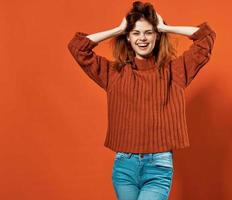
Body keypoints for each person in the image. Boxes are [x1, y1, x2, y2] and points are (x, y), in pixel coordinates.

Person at [67, 1, 216, 199]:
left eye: (149, 32)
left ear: (156, 36)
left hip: (159, 166)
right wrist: (118, 29)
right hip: (124, 167)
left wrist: (164, 27)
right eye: (136, 33)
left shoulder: (175, 72)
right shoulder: (115, 74)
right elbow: (77, 47)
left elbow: (206, 37)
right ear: (128, 38)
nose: (142, 38)